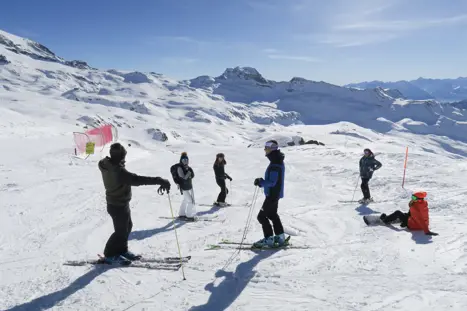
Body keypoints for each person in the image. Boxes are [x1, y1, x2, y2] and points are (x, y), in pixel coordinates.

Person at [98, 143, 171, 263]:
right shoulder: (118, 171)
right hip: (117, 205)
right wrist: (159, 180)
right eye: (123, 157)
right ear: (120, 157)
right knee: (120, 231)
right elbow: (137, 180)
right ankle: (109, 254)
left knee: (127, 227)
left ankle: (122, 250)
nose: (124, 159)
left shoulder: (106, 164)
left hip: (120, 203)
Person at [253, 140, 287, 248]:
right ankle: (280, 237)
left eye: (266, 148)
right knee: (272, 214)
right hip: (275, 194)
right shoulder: (277, 159)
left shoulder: (275, 162)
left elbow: (272, 181)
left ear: (271, 149)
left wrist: (261, 182)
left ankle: (269, 239)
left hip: (272, 194)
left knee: (261, 217)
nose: (264, 149)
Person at [177, 152, 196, 221]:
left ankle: (181, 214)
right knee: (190, 201)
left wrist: (190, 171)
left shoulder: (188, 167)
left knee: (185, 200)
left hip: (189, 186)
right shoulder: (179, 168)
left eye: (186, 160)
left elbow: (192, 176)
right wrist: (188, 173)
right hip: (184, 188)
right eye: (184, 160)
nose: (185, 161)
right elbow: (183, 178)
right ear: (181, 160)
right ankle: (189, 216)